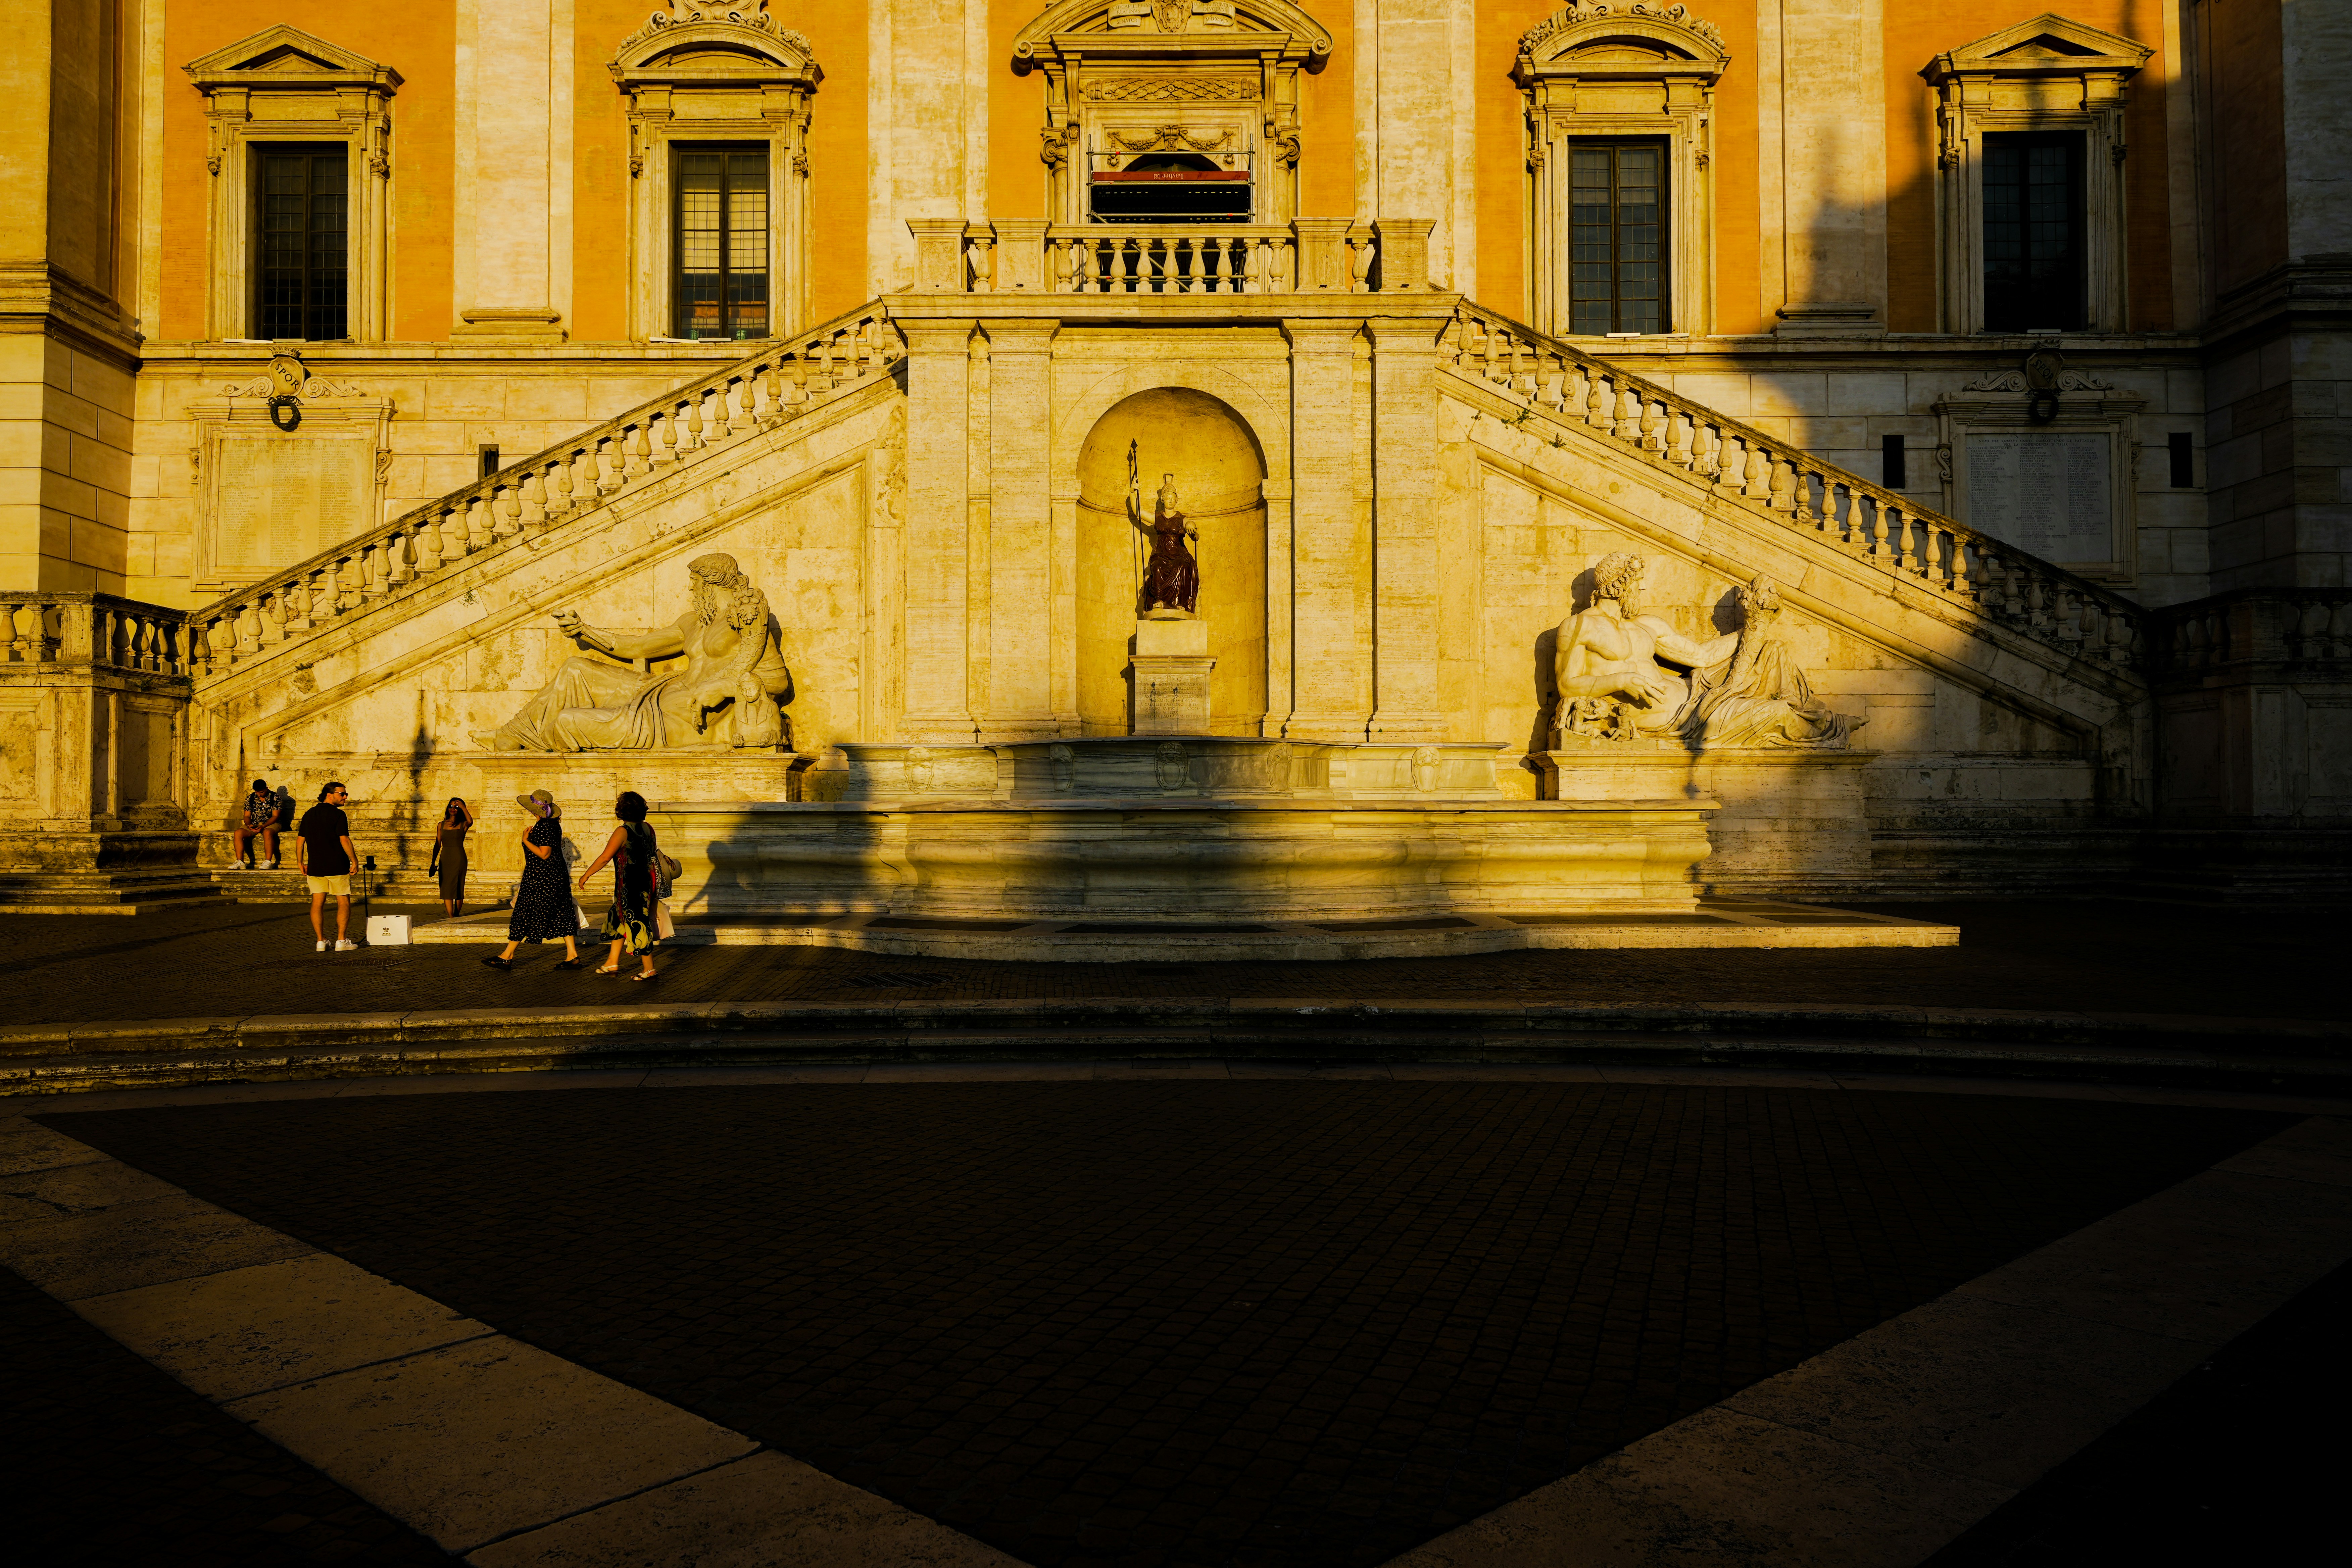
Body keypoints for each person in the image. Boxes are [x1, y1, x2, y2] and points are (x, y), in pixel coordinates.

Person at [483, 790, 582, 969]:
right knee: (561, 912)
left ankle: (507, 955)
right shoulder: (553, 825)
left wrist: (526, 840)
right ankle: (572, 955)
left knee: (524, 912)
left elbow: (544, 854)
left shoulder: (544, 826)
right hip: (554, 876)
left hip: (541, 878)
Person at [578, 791, 662, 982]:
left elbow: (605, 858)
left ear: (622, 810)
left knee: (638, 924)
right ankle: (612, 963)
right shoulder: (648, 828)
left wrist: (587, 875)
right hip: (645, 884)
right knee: (617, 921)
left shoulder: (623, 831)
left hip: (629, 887)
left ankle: (650, 969)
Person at [297, 782, 357, 952]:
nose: (345, 797)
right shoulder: (338, 815)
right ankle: (342, 940)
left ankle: (321, 941)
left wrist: (300, 862)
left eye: (346, 794)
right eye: (342, 794)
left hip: (316, 865)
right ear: (329, 795)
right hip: (337, 864)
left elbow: (301, 841)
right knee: (343, 901)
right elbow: (344, 839)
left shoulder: (309, 814)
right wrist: (354, 860)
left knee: (317, 903)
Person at [428, 797, 476, 917]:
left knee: (459, 886)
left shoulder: (463, 824)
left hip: (459, 857)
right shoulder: (441, 825)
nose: (453, 809)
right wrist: (433, 862)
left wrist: (463, 807)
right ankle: (451, 917)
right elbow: (438, 843)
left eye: (456, 807)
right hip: (445, 858)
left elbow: (470, 822)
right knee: (446, 887)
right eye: (451, 806)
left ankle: (457, 914)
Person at [233, 779, 280, 869]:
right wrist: (249, 825)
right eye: (257, 793)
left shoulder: (275, 797)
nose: (259, 795)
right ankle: (240, 862)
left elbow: (276, 816)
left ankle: (268, 862)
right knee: (238, 833)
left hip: (272, 823)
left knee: (267, 832)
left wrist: (264, 826)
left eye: (262, 792)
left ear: (267, 789)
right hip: (255, 823)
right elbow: (247, 816)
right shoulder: (250, 798)